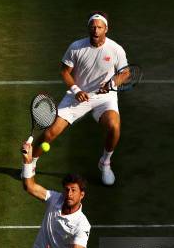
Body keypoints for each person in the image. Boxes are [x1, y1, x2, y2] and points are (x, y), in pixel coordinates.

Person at [30, 11, 129, 186]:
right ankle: (31, 163)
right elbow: (64, 72)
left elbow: (125, 72)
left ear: (106, 29)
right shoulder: (76, 47)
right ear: (88, 28)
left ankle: (105, 163)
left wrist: (113, 82)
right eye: (93, 27)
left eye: (99, 27)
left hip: (104, 98)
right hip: (77, 96)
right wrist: (76, 90)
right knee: (49, 133)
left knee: (114, 127)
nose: (96, 30)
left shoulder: (116, 49)